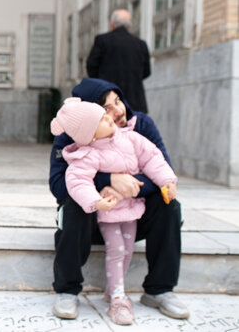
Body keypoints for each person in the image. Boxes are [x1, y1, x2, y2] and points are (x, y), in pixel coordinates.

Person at [49, 77, 188, 321]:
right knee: (73, 203)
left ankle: (160, 289)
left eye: (118, 101)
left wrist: (127, 187)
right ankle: (67, 289)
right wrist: (107, 181)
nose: (118, 111)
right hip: (94, 217)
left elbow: (160, 166)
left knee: (168, 203)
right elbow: (59, 185)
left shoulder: (141, 126)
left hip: (134, 213)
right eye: (106, 109)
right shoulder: (73, 133)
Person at [86, 9, 151, 113]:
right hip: (134, 101)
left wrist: (100, 83)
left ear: (112, 24)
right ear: (129, 26)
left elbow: (91, 65)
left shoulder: (102, 40)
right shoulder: (140, 44)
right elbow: (146, 71)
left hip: (108, 97)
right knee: (132, 128)